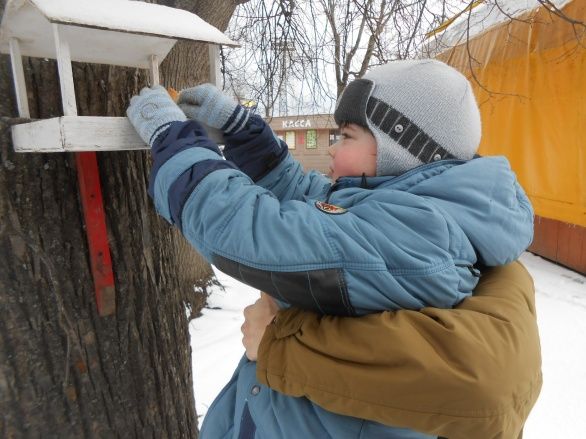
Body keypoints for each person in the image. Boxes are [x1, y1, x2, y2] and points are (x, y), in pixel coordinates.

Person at [126, 59, 534, 438]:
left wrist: (176, 143)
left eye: (347, 136)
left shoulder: (418, 236)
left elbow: (258, 232)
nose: (334, 149)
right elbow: (320, 205)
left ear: (401, 152)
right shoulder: (419, 217)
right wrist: (248, 137)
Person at [242, 261, 542, 439]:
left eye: (345, 147)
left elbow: (488, 380)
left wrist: (278, 343)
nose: (332, 153)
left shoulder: (478, 248)